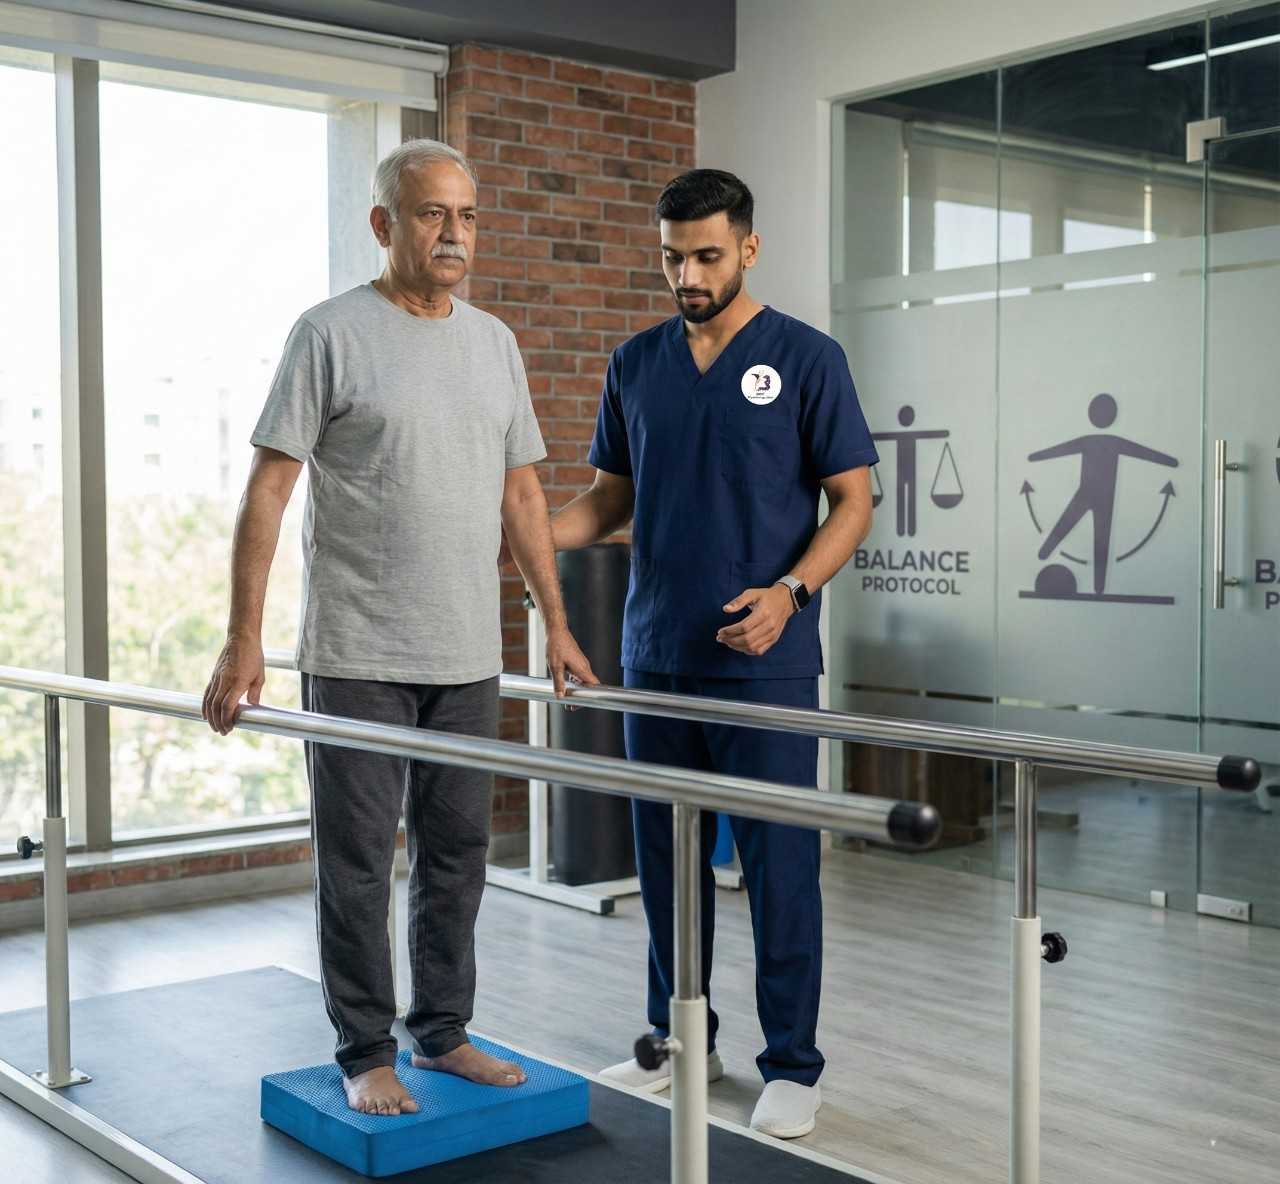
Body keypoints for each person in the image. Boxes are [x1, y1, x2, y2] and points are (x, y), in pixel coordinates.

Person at [201, 139, 596, 1118]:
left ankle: (445, 1030)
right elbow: (270, 487)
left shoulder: (493, 341)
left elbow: (520, 492)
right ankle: (363, 1046)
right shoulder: (328, 332)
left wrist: (555, 622)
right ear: (384, 224)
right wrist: (243, 636)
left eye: (466, 216)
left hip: (468, 656)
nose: (453, 233)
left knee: (459, 857)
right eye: (431, 215)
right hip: (357, 652)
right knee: (358, 860)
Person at [547, 169, 877, 1139]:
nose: (686, 274)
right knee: (668, 863)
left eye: (704, 255)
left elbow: (851, 500)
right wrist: (523, 530)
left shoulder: (807, 358)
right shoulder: (635, 361)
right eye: (671, 257)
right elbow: (608, 502)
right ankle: (678, 1036)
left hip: (766, 662)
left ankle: (793, 1062)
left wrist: (790, 592)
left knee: (780, 865)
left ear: (747, 248)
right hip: (657, 655)